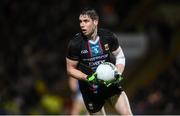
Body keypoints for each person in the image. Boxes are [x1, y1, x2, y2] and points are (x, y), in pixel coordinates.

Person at [66, 7, 132, 115]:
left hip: (111, 85)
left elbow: (120, 55)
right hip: (90, 91)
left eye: (86, 21)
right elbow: (70, 69)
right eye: (80, 21)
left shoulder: (108, 36)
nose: (82, 25)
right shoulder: (75, 44)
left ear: (95, 22)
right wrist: (86, 78)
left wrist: (118, 72)